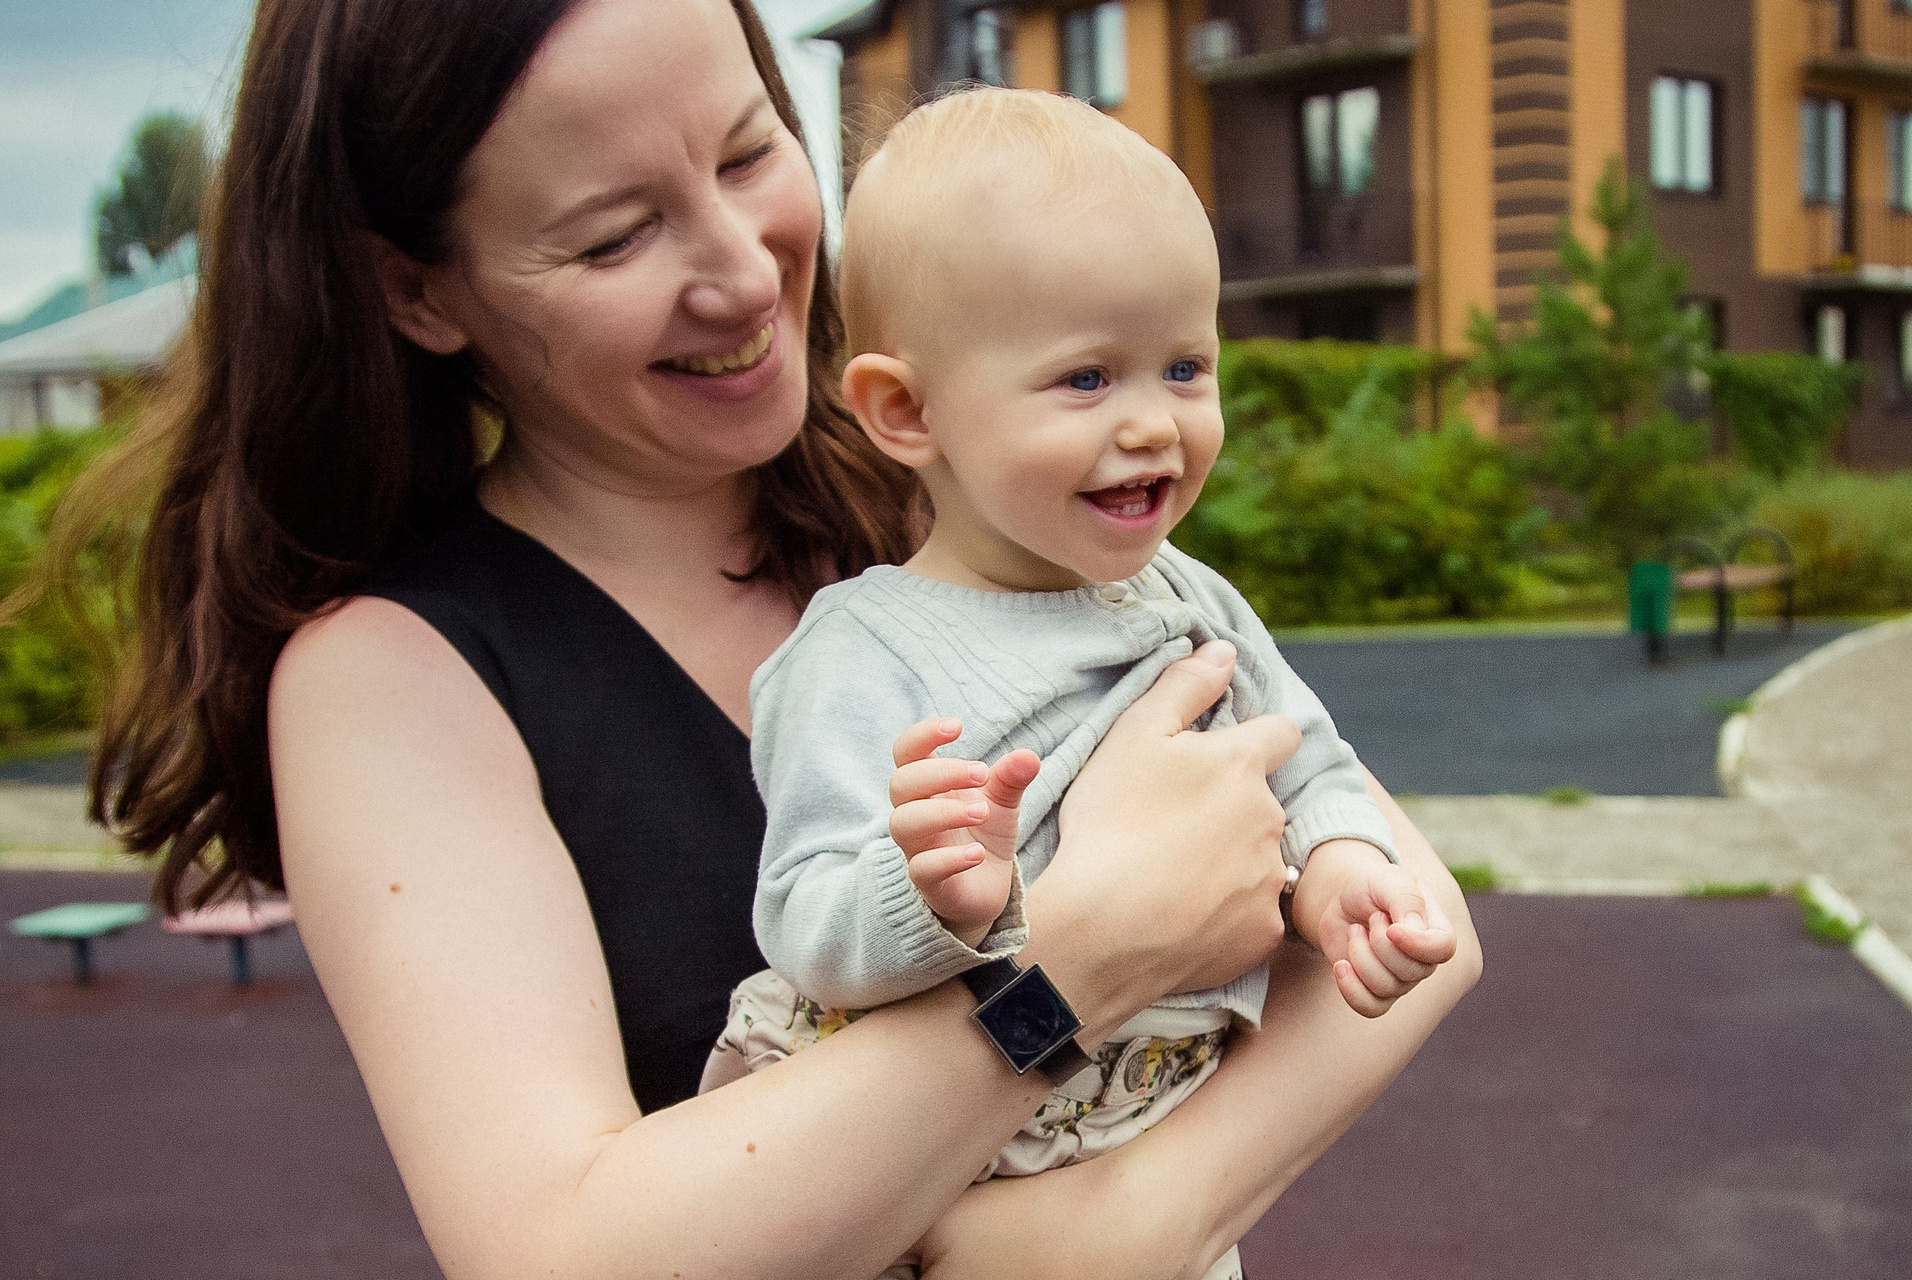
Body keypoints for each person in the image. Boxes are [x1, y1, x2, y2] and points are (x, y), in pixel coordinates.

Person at [52, 0, 1481, 1275]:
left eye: (748, 154)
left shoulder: (982, 496)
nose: (743, 272)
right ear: (416, 288)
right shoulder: (398, 674)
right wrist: (1083, 963)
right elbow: (560, 1252)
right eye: (615, 234)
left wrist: (1129, 1221)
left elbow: (1416, 910)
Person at [703, 90, 1459, 1280]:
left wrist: (1344, 874)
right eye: (1087, 379)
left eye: (1185, 366)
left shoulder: (1194, 598)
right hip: (939, 1144)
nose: (1155, 423)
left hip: (1146, 1110)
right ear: (907, 410)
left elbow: (1307, 761)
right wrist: (928, 894)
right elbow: (803, 916)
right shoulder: (860, 653)